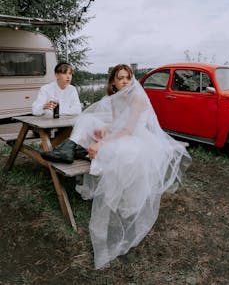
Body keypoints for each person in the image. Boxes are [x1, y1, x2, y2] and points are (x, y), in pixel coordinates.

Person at [41, 64, 191, 269]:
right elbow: (117, 123)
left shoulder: (137, 98)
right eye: (120, 78)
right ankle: (77, 151)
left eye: (128, 78)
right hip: (124, 134)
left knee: (114, 152)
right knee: (89, 123)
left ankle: (82, 154)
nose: (125, 82)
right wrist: (105, 131)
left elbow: (129, 129)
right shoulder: (115, 99)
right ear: (113, 82)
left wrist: (103, 142)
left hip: (137, 138)